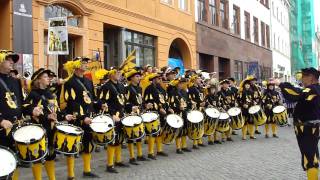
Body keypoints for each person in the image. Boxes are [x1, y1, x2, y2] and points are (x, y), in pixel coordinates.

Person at [25, 68, 75, 180]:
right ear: (38, 80)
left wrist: (64, 116)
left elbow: (55, 110)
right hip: (39, 130)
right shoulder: (33, 94)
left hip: (51, 129)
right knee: (37, 156)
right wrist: (44, 116)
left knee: (50, 156)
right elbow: (26, 108)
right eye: (45, 77)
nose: (49, 78)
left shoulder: (50, 94)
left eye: (48, 77)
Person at [0, 50, 41, 180]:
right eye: (9, 59)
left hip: (14, 128)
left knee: (13, 161)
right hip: (1, 130)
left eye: (13, 60)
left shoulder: (16, 81)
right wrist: (0, 120)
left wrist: (32, 110)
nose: (12, 62)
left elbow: (22, 103)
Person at [275, 67, 320, 180]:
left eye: (303, 77)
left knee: (310, 158)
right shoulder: (314, 89)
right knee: (311, 154)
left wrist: (281, 84)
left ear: (310, 78)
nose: (302, 80)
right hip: (310, 127)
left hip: (308, 128)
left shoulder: (311, 89)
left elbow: (295, 94)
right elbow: (299, 92)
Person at [63, 57, 104, 179]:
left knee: (88, 143)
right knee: (73, 145)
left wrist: (100, 105)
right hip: (77, 117)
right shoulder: (70, 82)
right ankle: (71, 175)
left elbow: (92, 99)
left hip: (89, 116)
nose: (86, 65)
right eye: (83, 63)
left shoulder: (88, 80)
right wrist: (82, 117)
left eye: (86, 63)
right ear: (75, 66)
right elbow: (72, 102)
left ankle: (87, 170)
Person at [99, 67, 129, 173]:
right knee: (112, 140)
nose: (119, 74)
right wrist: (111, 114)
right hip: (112, 116)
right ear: (111, 74)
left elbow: (123, 101)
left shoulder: (121, 85)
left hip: (120, 115)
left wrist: (126, 110)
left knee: (119, 139)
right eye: (116, 72)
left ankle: (118, 160)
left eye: (120, 72)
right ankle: (109, 164)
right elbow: (102, 101)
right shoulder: (106, 86)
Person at [124, 68, 149, 164]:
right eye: (137, 76)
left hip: (139, 113)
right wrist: (131, 107)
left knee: (139, 134)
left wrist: (145, 105)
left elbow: (140, 101)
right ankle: (131, 157)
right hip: (131, 114)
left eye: (139, 76)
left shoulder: (139, 88)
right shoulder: (127, 89)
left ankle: (139, 154)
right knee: (131, 136)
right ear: (131, 78)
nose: (139, 78)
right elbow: (125, 102)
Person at [144, 72, 170, 158]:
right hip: (154, 113)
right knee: (153, 132)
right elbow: (149, 101)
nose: (160, 80)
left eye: (161, 78)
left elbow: (164, 100)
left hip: (162, 112)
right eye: (158, 78)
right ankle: (150, 152)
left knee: (160, 132)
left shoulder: (161, 88)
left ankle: (159, 150)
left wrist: (168, 108)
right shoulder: (149, 88)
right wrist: (159, 108)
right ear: (154, 79)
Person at [168, 78, 192, 154]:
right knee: (179, 130)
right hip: (178, 113)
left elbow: (187, 102)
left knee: (185, 129)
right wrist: (178, 107)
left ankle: (184, 146)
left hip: (184, 112)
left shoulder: (184, 92)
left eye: (183, 83)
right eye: (182, 83)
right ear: (178, 84)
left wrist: (190, 106)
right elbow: (171, 104)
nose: (183, 85)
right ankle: (178, 147)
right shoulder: (172, 92)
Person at [188, 75, 206, 148]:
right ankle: (195, 143)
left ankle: (200, 141)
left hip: (201, 108)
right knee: (196, 125)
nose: (200, 80)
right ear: (194, 80)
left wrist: (204, 102)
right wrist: (198, 103)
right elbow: (190, 99)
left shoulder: (200, 88)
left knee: (200, 125)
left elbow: (202, 97)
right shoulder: (191, 89)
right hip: (195, 108)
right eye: (198, 79)